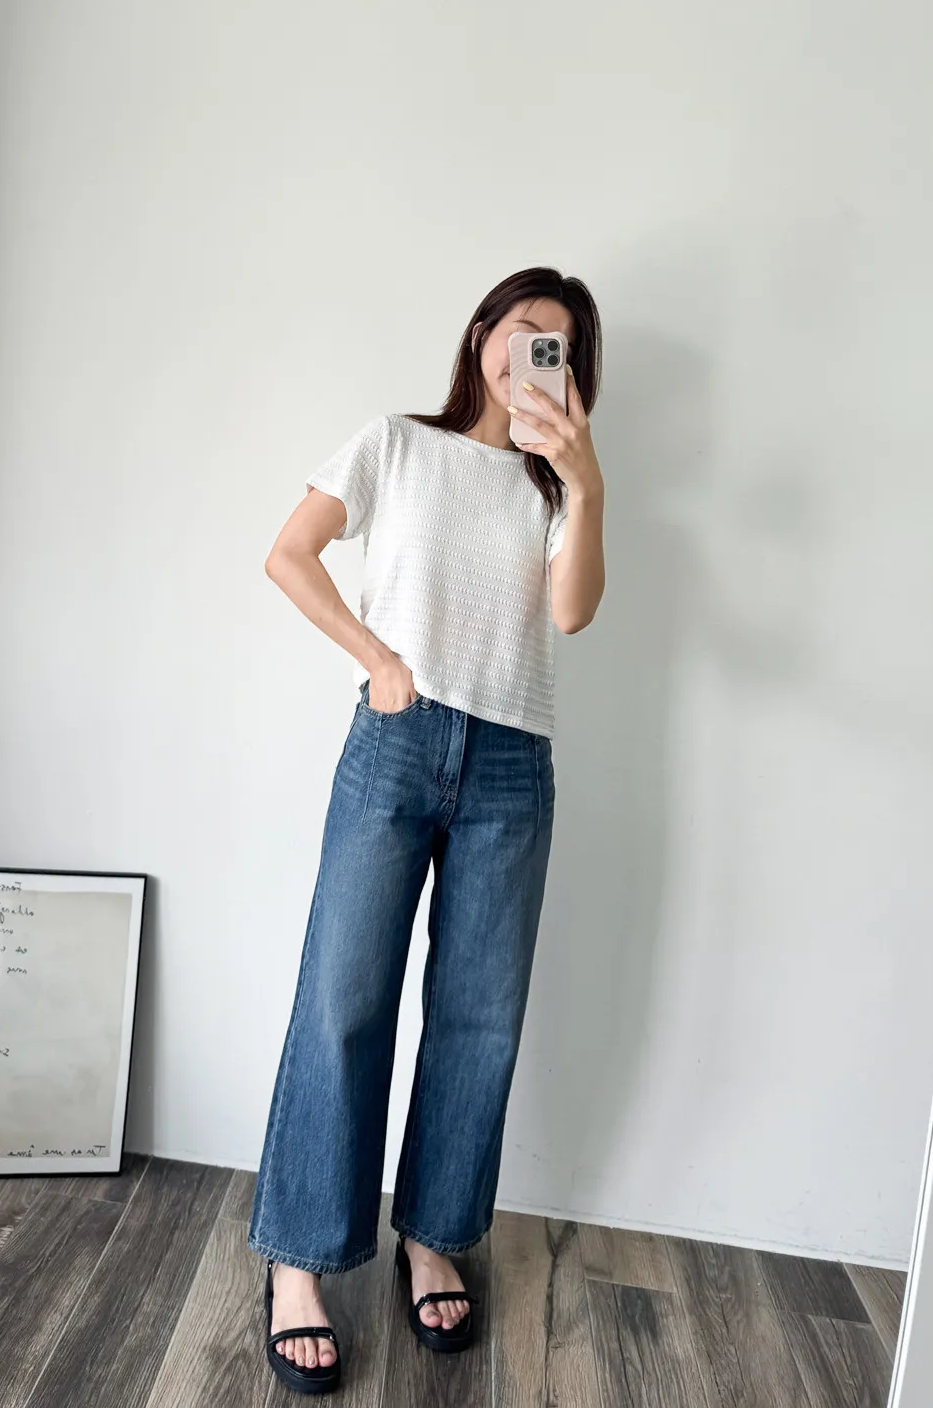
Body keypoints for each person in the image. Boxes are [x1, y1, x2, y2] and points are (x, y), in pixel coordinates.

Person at [249, 267, 606, 1395]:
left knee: (479, 1016)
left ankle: (434, 1236)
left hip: (513, 761)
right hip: (397, 740)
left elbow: (572, 612)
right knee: (344, 996)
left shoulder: (554, 484)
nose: (532, 352)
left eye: (558, 344)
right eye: (522, 328)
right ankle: (299, 1259)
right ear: (482, 332)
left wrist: (587, 482)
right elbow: (289, 553)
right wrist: (378, 659)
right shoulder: (396, 444)